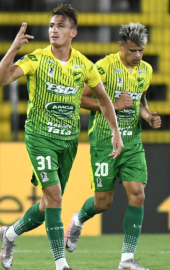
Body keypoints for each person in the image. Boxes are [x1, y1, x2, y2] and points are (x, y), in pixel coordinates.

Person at [0, 4, 124, 270]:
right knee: (55, 197)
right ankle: (60, 264)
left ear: (73, 32)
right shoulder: (37, 59)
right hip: (39, 137)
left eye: (60, 26)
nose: (54, 30)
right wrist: (14, 47)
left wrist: (115, 133)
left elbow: (104, 100)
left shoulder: (84, 65)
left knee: (45, 208)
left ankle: (9, 235)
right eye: (51, 25)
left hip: (68, 142)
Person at [64, 22, 161, 270]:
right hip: (104, 142)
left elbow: (140, 98)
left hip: (132, 142)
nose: (137, 56)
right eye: (132, 51)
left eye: (141, 50)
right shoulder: (104, 67)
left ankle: (126, 260)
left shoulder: (146, 70)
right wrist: (113, 105)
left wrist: (148, 116)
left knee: (138, 195)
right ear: (120, 46)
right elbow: (81, 97)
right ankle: (78, 219)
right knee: (103, 203)